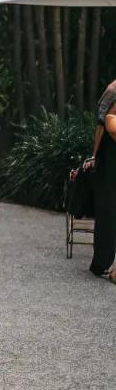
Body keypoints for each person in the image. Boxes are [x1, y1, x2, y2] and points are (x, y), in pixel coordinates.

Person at [87, 76, 116, 275]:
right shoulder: (112, 90)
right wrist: (95, 155)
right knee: (107, 207)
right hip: (110, 154)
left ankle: (104, 261)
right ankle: (101, 261)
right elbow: (101, 123)